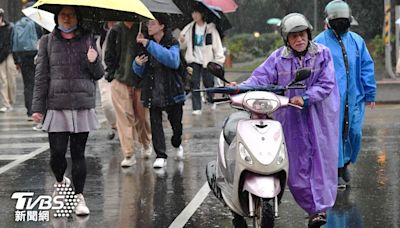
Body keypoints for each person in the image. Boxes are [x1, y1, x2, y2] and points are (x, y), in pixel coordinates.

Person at [232, 13, 340, 227]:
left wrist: (306, 97)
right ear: (286, 40)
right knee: (294, 165)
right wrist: (240, 87)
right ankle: (312, 207)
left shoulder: (323, 54)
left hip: (319, 117)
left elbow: (327, 84)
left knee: (322, 163)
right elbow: (260, 78)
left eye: (302, 35)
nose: (299, 40)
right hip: (290, 116)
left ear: (309, 35)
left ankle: (319, 210)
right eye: (293, 37)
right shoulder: (278, 58)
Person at [31, 5, 104, 216]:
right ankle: (61, 182)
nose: (66, 18)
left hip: (82, 105)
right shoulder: (47, 41)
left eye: (71, 14)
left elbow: (98, 74)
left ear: (77, 17)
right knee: (57, 154)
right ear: (56, 17)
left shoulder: (88, 39)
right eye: (63, 14)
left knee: (78, 154)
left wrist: (94, 61)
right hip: (56, 105)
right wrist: (38, 107)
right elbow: (41, 76)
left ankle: (79, 196)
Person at [314, 0, 376, 189]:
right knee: (335, 135)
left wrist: (370, 92)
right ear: (329, 21)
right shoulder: (319, 42)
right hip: (330, 100)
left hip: (354, 97)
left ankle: (346, 161)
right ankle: (338, 170)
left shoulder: (357, 41)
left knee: (354, 132)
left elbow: (366, 66)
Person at [133, 14, 185, 168]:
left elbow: (173, 61)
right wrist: (137, 64)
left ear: (162, 26)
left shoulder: (172, 43)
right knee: (155, 124)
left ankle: (177, 143)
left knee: (176, 125)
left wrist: (149, 44)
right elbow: (138, 72)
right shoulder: (143, 44)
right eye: (148, 23)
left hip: (172, 91)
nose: (149, 26)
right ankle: (160, 155)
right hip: (152, 90)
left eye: (153, 23)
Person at [104, 21, 152, 167]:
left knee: (142, 117)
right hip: (120, 79)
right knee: (124, 117)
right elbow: (109, 55)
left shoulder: (143, 29)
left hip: (140, 81)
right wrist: (112, 74)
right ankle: (129, 153)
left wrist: (142, 44)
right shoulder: (116, 31)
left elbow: (151, 53)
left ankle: (146, 143)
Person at [179, 5, 225, 115]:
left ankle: (210, 99)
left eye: (196, 13)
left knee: (208, 82)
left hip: (207, 61)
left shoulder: (210, 28)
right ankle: (196, 107)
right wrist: (182, 40)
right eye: (193, 13)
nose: (194, 15)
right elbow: (182, 46)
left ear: (202, 14)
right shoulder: (189, 28)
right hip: (194, 60)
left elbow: (217, 45)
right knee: (194, 83)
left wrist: (219, 60)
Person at [12, 1, 42, 118]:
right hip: (35, 54)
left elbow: (13, 43)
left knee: (27, 84)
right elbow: (41, 38)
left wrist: (16, 60)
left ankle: (29, 109)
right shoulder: (35, 24)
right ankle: (36, 108)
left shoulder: (18, 24)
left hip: (23, 56)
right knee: (37, 82)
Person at [95, 21, 117, 140]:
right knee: (107, 103)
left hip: (120, 73)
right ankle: (114, 125)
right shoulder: (102, 35)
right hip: (104, 73)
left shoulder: (122, 32)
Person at [0, 8, 18, 113]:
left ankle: (11, 102)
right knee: (3, 81)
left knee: (12, 80)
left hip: (9, 55)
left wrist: (17, 60)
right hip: (0, 57)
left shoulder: (10, 27)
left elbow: (13, 43)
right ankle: (6, 104)